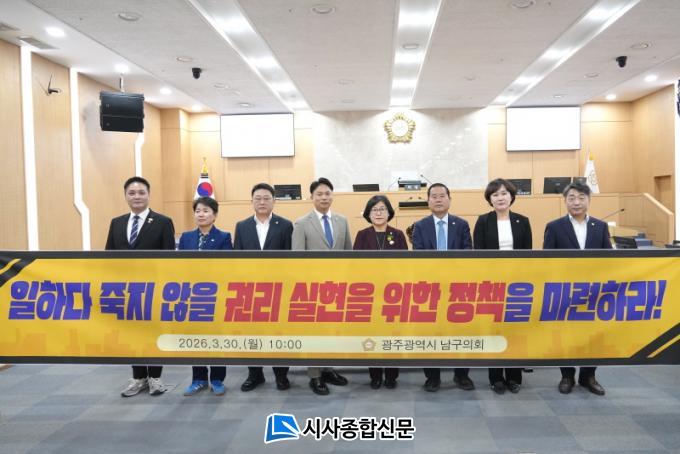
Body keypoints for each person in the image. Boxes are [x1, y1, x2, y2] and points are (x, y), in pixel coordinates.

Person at [105, 176, 175, 398]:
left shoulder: (163, 222)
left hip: (154, 290)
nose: (137, 197)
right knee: (132, 334)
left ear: (148, 195)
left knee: (153, 333)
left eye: (141, 192)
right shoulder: (117, 223)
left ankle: (155, 378)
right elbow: (108, 257)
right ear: (125, 196)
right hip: (125, 291)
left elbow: (170, 259)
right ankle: (138, 378)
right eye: (132, 193)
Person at [544, 181, 611, 396]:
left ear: (589, 200)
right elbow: (547, 261)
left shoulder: (600, 226)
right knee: (565, 334)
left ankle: (588, 376)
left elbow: (610, 260)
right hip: (565, 291)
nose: (576, 202)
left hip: (595, 291)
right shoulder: (554, 226)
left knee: (593, 334)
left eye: (581, 198)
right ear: (565, 201)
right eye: (571, 198)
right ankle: (567, 376)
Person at [412, 183, 475, 392]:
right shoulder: (420, 226)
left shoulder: (462, 224)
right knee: (430, 332)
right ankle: (432, 377)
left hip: (458, 288)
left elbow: (468, 254)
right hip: (430, 289)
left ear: (449, 199)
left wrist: (452, 275)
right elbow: (418, 257)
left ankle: (461, 375)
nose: (438, 199)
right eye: (434, 196)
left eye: (442, 196)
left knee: (460, 331)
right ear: (428, 201)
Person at [292, 177, 352, 395]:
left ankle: (328, 368)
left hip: (337, 287)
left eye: (327, 193)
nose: (324, 197)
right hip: (313, 289)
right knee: (314, 332)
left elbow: (349, 254)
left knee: (331, 331)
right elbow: (297, 259)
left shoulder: (342, 221)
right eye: (319, 194)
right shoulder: (301, 223)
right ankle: (315, 375)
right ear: (312, 197)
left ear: (332, 196)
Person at [473, 179, 532, 394]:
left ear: (511, 196)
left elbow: (528, 255)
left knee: (514, 330)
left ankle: (514, 377)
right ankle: (496, 377)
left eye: (504, 193)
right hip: (492, 285)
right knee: (494, 331)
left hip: (517, 285)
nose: (500, 197)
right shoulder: (483, 221)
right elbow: (478, 255)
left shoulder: (523, 221)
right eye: (495, 194)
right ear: (490, 199)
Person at [234, 183, 294, 392]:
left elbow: (291, 259)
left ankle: (281, 375)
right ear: (251, 201)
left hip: (278, 290)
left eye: (266, 198)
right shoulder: (242, 226)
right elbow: (236, 259)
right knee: (252, 333)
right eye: (257, 198)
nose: (262, 202)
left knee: (279, 333)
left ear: (274, 201)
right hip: (249, 290)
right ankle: (255, 374)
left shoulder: (285, 225)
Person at [178, 196, 232, 396]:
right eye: (198, 211)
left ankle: (217, 379)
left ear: (215, 215)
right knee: (196, 337)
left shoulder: (224, 237)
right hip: (192, 296)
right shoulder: (186, 238)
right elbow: (179, 265)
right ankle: (198, 379)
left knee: (216, 336)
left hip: (215, 295)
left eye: (206, 211)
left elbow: (226, 266)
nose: (201, 214)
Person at [353, 195, 408, 389]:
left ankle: (392, 376)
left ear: (389, 212)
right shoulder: (362, 235)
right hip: (370, 295)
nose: (378, 213)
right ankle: (375, 375)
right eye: (374, 210)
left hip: (394, 295)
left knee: (393, 334)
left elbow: (406, 265)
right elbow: (355, 265)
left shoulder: (397, 235)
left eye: (382, 209)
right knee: (372, 335)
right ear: (368, 214)